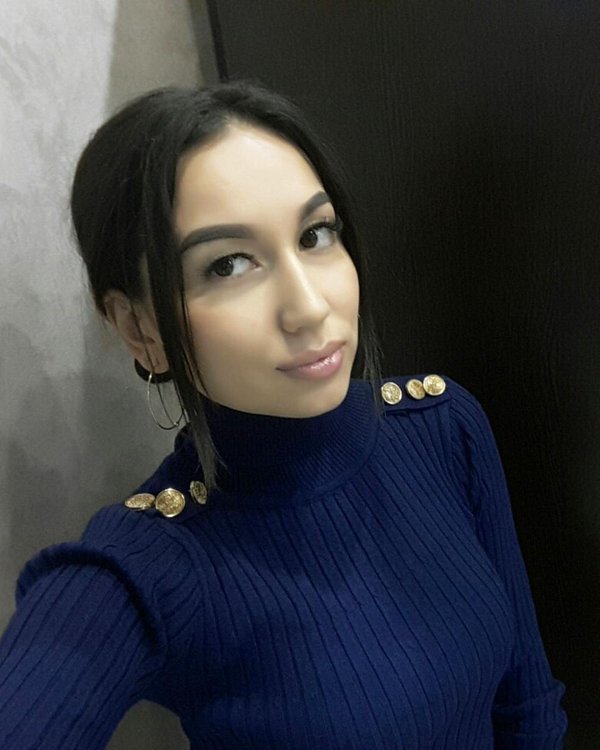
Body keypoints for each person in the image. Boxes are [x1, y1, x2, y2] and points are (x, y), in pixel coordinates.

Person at [0, 80, 567, 749]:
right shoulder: (148, 567)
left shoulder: (443, 427)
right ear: (139, 327)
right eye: (228, 265)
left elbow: (528, 706)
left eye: (316, 234)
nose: (309, 307)